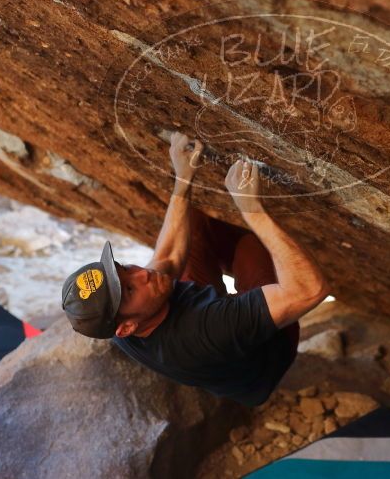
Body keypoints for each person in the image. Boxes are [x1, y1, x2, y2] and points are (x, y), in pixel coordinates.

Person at [61, 132, 329, 406]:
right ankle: (251, 271)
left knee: (194, 222)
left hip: (211, 327)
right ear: (127, 327)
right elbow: (309, 290)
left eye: (123, 269)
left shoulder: (113, 319)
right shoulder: (204, 330)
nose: (141, 273)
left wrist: (183, 178)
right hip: (268, 351)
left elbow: (166, 259)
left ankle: (239, 263)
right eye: (129, 289)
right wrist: (251, 210)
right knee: (252, 246)